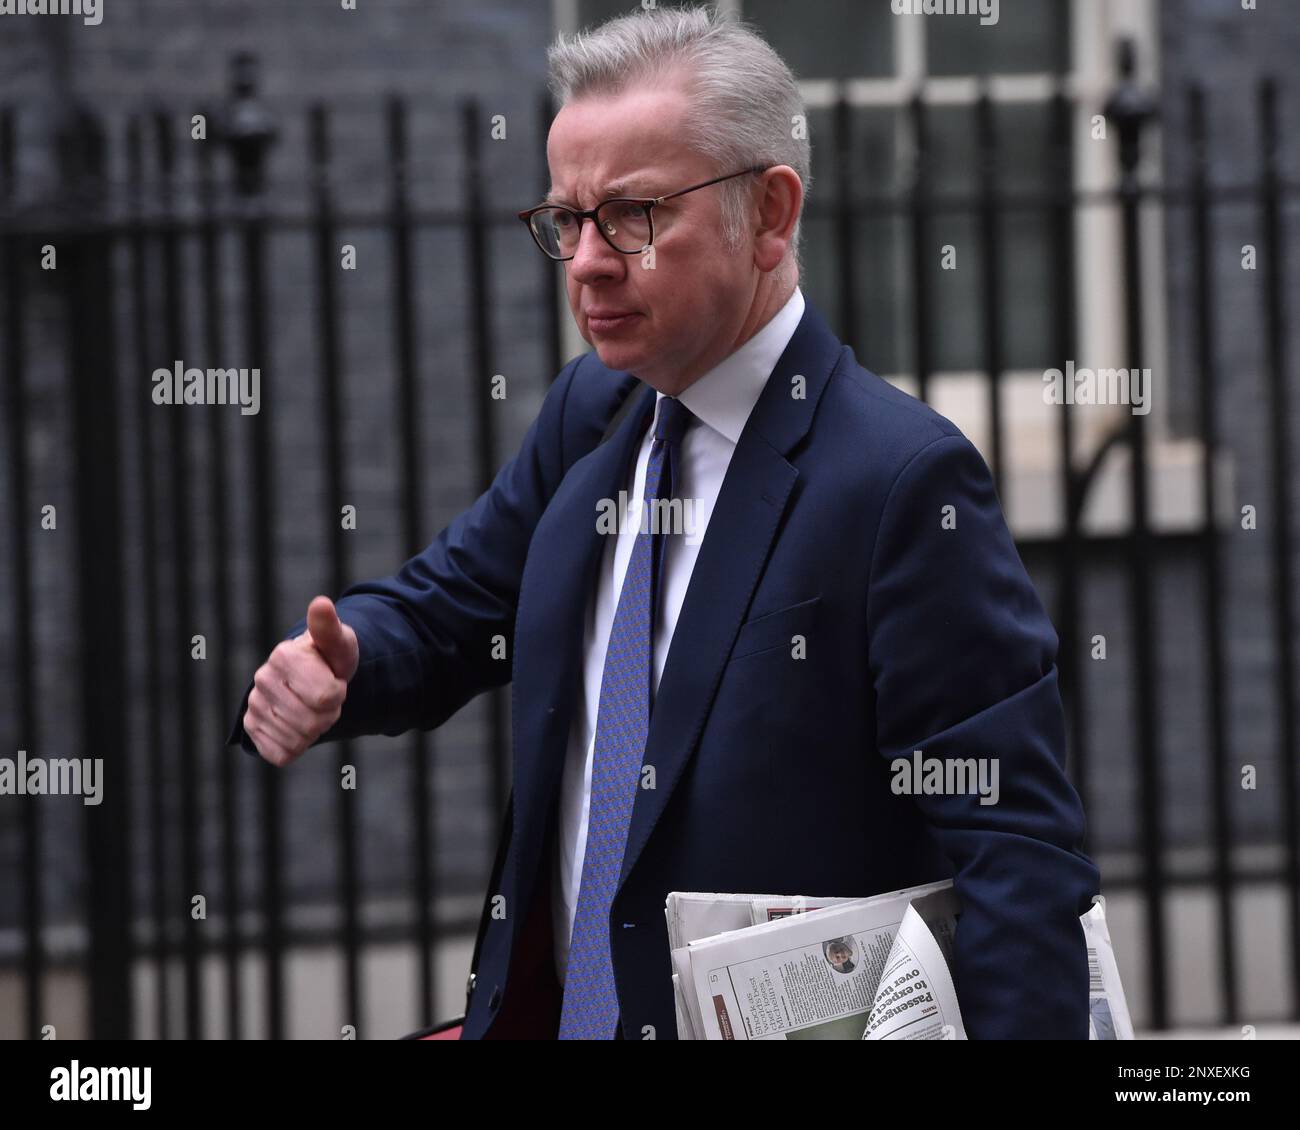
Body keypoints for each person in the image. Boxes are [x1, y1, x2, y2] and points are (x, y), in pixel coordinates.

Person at [228, 6, 1099, 1040]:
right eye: (565, 219)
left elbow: (1016, 857)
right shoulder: (588, 416)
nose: (586, 261)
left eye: (633, 215)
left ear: (770, 214)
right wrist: (350, 657)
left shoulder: (900, 483)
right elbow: (455, 605)